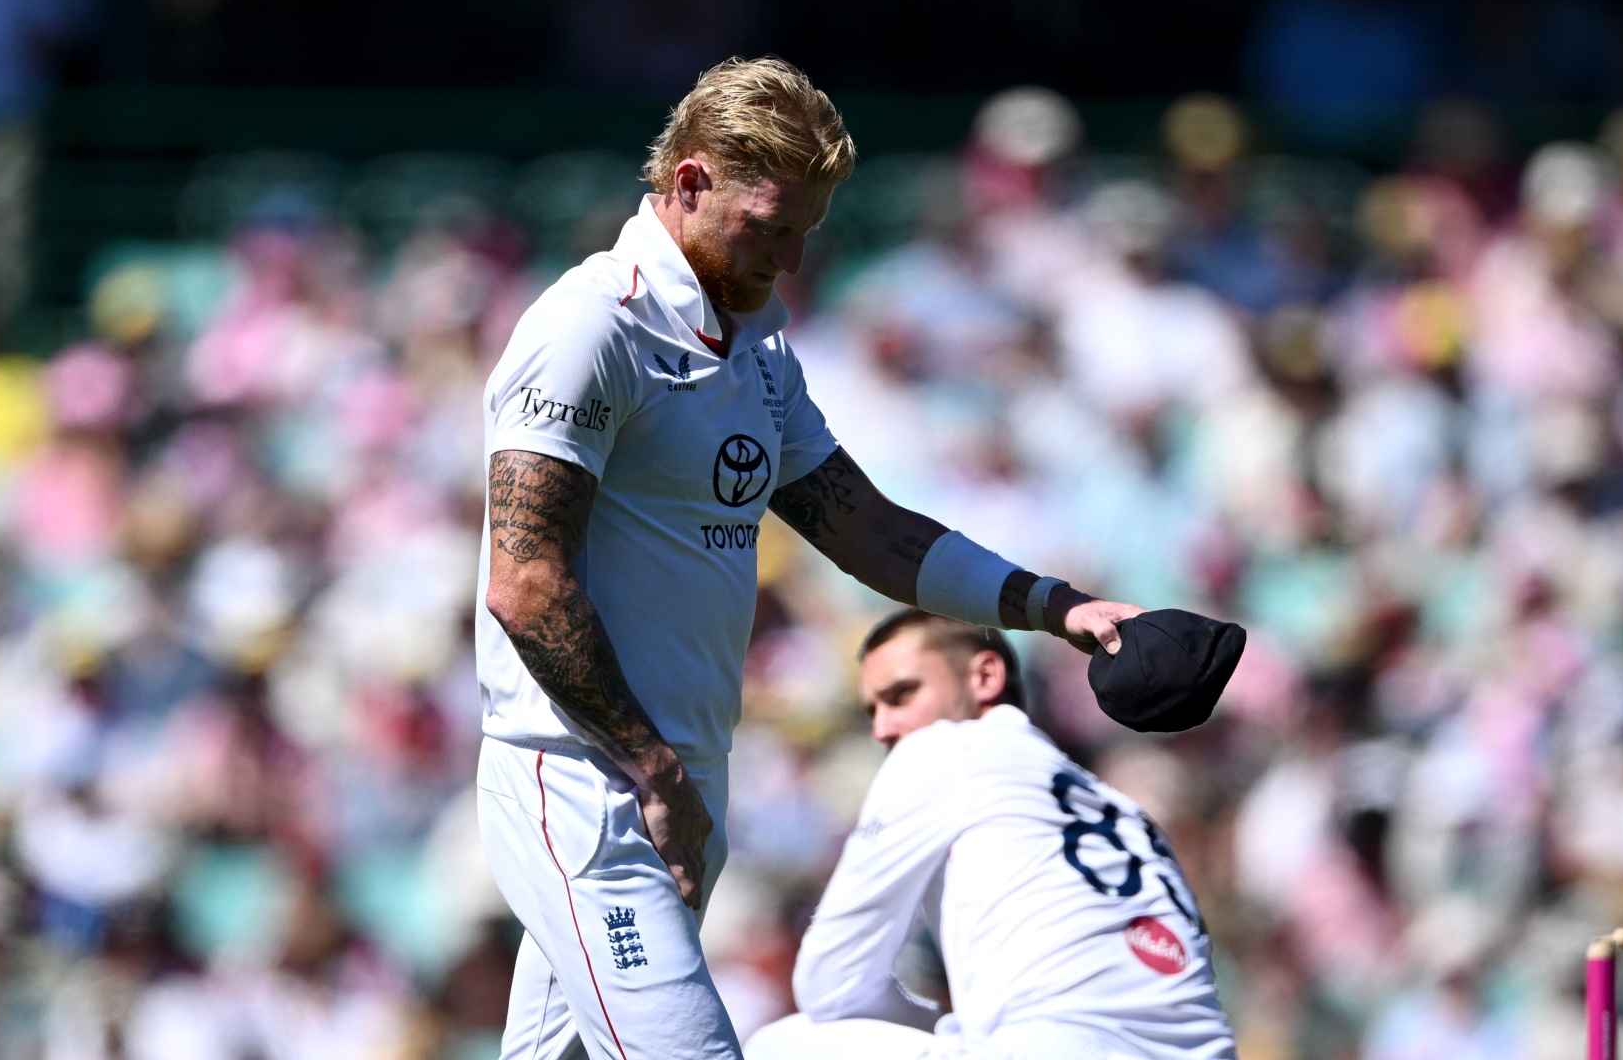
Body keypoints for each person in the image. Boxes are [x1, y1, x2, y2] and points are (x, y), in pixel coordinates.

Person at [474, 57, 1144, 1060]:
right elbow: (525, 586)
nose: (787, 260)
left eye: (804, 235)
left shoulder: (756, 349)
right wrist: (648, 764)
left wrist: (1055, 607)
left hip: (679, 773)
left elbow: (865, 528)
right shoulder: (588, 328)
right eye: (769, 227)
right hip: (582, 781)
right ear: (691, 182)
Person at [745, 610, 1237, 1060]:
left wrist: (942, 1022)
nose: (883, 727)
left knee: (780, 1044)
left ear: (984, 676)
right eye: (872, 710)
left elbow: (831, 984)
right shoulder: (1129, 813)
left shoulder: (943, 750)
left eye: (901, 695)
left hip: (1053, 1047)